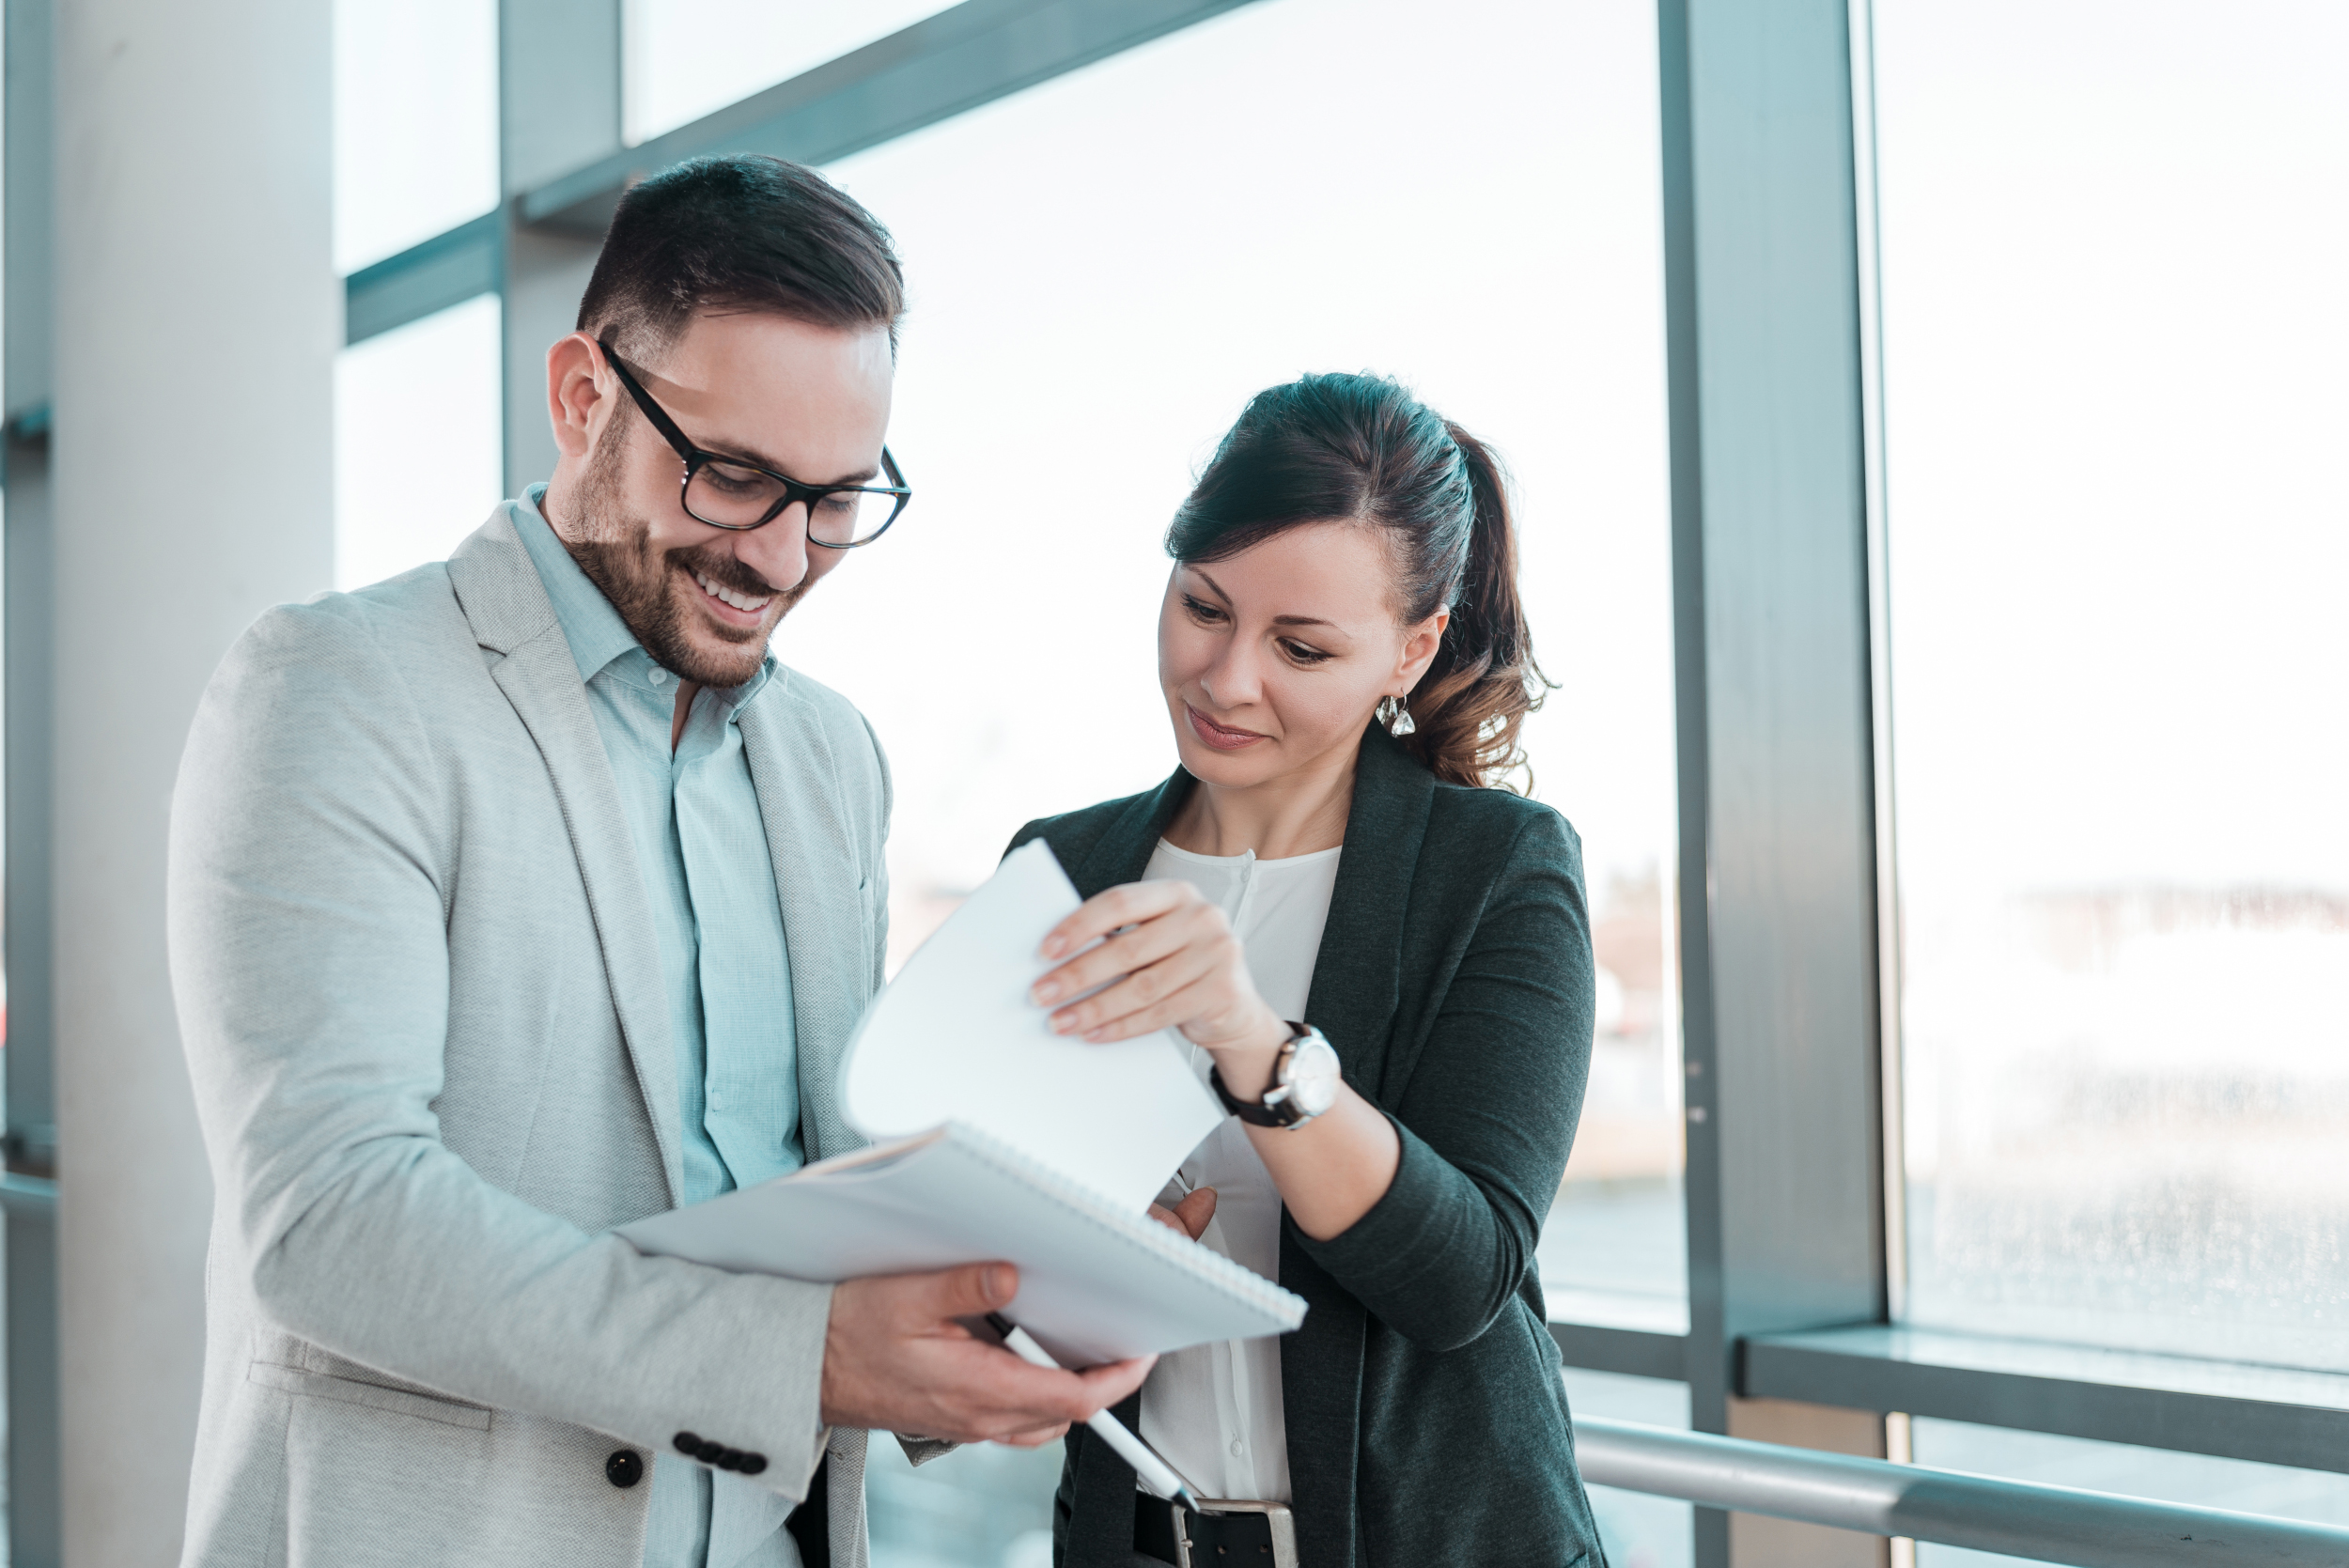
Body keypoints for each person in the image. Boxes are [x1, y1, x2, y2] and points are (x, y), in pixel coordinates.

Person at [167, 154, 1148, 1568]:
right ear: (582, 398)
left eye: (837, 500)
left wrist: (1027, 1274)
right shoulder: (338, 688)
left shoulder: (832, 759)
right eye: (735, 475)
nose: (784, 556)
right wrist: (803, 1354)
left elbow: (804, 1180)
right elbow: (330, 1216)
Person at [1011, 373, 1605, 1566]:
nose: (1227, 679)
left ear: (1411, 649)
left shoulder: (1497, 870)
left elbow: (1461, 1277)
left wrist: (1250, 1037)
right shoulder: (1059, 866)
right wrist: (1066, 1266)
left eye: (1301, 645)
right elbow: (999, 1277)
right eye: (1202, 607)